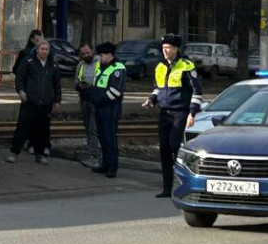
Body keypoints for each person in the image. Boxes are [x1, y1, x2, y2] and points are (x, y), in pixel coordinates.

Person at [142, 33, 203, 197]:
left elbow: (196, 91)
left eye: (168, 48)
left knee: (174, 145)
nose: (165, 51)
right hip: (164, 112)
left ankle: (184, 183)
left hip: (180, 112)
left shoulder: (186, 65)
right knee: (164, 149)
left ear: (176, 49)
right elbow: (158, 88)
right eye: (163, 48)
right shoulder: (160, 66)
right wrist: (151, 100)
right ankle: (167, 189)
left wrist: (192, 113)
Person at [6, 39, 62, 165]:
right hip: (30, 101)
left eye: (46, 49)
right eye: (42, 49)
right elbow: (20, 77)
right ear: (37, 50)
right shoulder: (28, 61)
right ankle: (14, 153)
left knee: (42, 130)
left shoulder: (52, 65)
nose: (44, 51)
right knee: (22, 128)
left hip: (45, 103)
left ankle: (40, 155)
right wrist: (21, 91)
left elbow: (57, 83)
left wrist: (57, 99)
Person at [87, 42, 127, 178]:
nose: (99, 58)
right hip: (100, 106)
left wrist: (99, 99)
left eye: (101, 55)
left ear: (109, 55)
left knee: (109, 136)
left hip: (110, 107)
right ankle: (105, 164)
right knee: (102, 136)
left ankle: (112, 166)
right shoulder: (102, 67)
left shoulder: (118, 68)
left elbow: (115, 91)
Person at [72, 43, 101, 168]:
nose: (86, 55)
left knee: (94, 129)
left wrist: (92, 86)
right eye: (83, 54)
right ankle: (92, 154)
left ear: (92, 51)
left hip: (96, 100)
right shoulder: (81, 65)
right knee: (88, 129)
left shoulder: (100, 62)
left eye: (88, 52)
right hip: (84, 100)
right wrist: (79, 85)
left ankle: (95, 156)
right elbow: (75, 81)